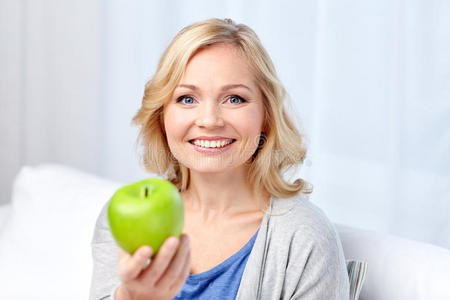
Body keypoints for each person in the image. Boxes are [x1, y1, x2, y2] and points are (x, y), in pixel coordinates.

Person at [89, 18, 350, 300]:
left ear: (266, 116)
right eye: (187, 99)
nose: (210, 121)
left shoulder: (305, 238)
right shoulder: (119, 218)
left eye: (234, 99)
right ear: (161, 116)